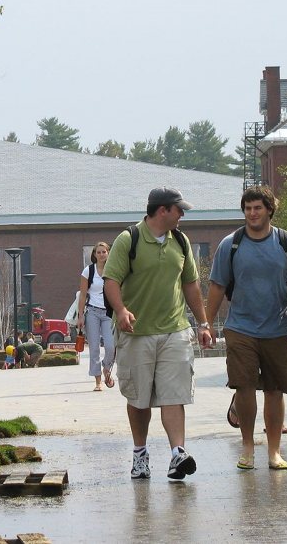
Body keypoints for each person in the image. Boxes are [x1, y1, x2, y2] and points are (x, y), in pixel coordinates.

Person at [103, 187, 212, 481]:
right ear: (163, 210)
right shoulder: (129, 240)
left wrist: (202, 323)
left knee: (173, 394)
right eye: (179, 210)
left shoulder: (181, 241)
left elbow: (191, 284)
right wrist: (122, 310)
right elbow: (111, 281)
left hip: (175, 330)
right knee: (139, 399)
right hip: (136, 333)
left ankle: (178, 453)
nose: (183, 215)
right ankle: (140, 454)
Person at [206, 185, 287, 471]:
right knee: (244, 386)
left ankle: (274, 451)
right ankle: (248, 448)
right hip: (240, 327)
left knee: (275, 390)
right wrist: (207, 323)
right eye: (248, 208)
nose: (252, 213)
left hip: (279, 327)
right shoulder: (232, 244)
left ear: (269, 210)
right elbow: (216, 286)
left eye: (257, 208)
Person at [77, 241, 115, 391]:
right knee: (94, 348)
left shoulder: (113, 270)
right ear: (94, 255)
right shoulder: (88, 271)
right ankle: (98, 381)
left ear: (108, 253)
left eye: (104, 252)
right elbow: (82, 295)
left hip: (108, 313)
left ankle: (107, 368)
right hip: (92, 312)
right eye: (98, 252)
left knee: (111, 347)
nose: (101, 255)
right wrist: (80, 316)